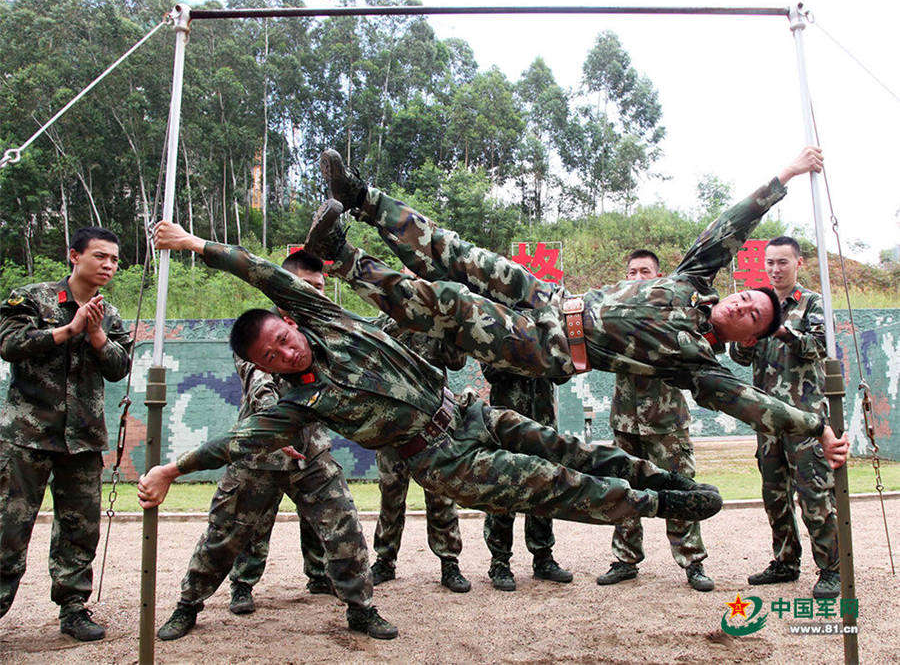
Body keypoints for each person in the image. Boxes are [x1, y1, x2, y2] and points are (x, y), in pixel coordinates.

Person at [139, 222, 726, 543]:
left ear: (290, 323)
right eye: (273, 356)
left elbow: (262, 270)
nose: (286, 352)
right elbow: (233, 444)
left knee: (570, 447)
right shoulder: (296, 403)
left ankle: (667, 481)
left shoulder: (322, 318)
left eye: (282, 338)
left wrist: (195, 246)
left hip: (467, 412)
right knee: (553, 483)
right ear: (264, 369)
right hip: (444, 460)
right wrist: (170, 469)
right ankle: (659, 504)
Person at [303, 146, 848, 470]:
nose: (742, 303)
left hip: (552, 346)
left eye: (752, 314)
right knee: (459, 253)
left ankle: (344, 258)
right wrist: (785, 177)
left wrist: (816, 426)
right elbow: (729, 226)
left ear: (747, 340)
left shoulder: (696, 365)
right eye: (747, 294)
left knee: (449, 305)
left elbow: (754, 405)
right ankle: (361, 197)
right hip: (549, 298)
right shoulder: (687, 281)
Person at [156, 250, 397, 641]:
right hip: (258, 455)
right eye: (307, 286)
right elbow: (260, 384)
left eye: (318, 287)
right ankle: (188, 605)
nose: (315, 293)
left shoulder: (319, 330)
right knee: (224, 535)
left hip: (311, 456)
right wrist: (275, 429)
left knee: (344, 530)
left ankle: (361, 608)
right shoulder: (259, 335)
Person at [0, 227, 132, 641]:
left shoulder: (109, 316)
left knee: (80, 529)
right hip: (27, 436)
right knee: (8, 527)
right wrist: (67, 330)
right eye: (100, 257)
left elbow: (119, 367)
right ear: (74, 256)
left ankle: (73, 609)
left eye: (114, 259)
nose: (108, 265)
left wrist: (96, 336)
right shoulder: (32, 299)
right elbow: (9, 343)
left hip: (83, 439)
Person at [729, 235, 840, 599]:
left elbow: (819, 346)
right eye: (770, 263)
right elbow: (741, 359)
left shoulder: (811, 303)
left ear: (798, 264)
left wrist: (780, 329)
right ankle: (785, 561)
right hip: (768, 422)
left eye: (783, 263)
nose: (775, 270)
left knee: (815, 496)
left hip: (805, 420)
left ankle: (831, 570)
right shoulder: (757, 303)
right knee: (774, 496)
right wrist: (743, 341)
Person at [595, 250, 712, 592]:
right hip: (625, 421)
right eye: (631, 272)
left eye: (645, 271)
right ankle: (625, 559)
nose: (637, 277)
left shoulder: (674, 314)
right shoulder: (612, 315)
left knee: (680, 488)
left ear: (659, 278)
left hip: (666, 421)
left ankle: (693, 561)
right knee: (624, 490)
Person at [368, 313, 471, 593]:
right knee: (391, 494)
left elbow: (457, 361)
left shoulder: (437, 317)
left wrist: (447, 323)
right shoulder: (385, 319)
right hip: (392, 421)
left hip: (433, 422)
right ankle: (385, 561)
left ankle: (449, 563)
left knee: (441, 494)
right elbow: (373, 355)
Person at [480, 365, 573, 591]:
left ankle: (543, 557)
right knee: (503, 487)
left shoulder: (549, 328)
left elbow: (563, 374)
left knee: (543, 486)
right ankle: (499, 562)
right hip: (506, 422)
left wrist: (547, 352)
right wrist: (524, 353)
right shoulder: (498, 328)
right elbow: (490, 371)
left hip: (542, 422)